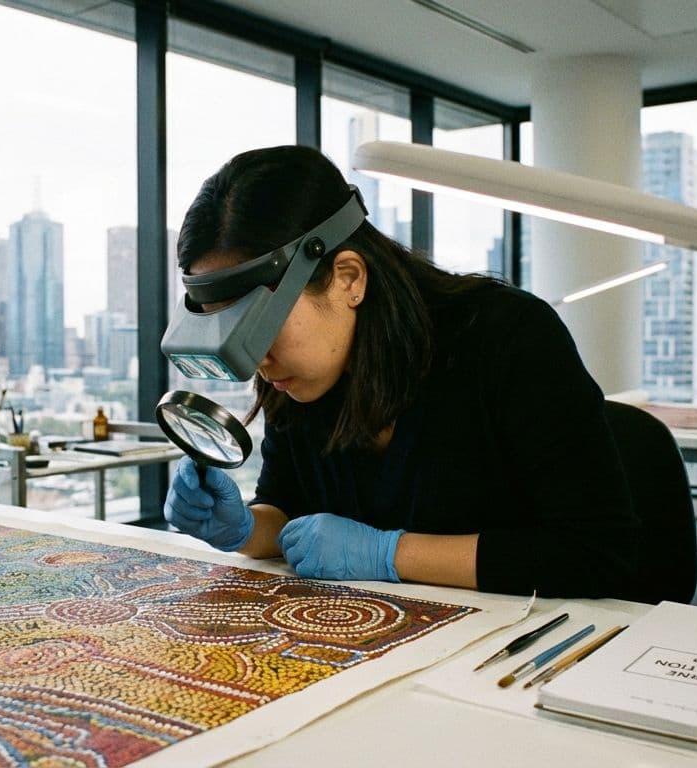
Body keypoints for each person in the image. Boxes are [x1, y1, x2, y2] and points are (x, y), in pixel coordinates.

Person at [163, 145, 638, 598]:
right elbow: (289, 511)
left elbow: (597, 551)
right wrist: (245, 529)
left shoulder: (507, 337)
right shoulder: (299, 379)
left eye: (259, 329)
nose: (256, 362)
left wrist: (389, 554)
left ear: (349, 278)